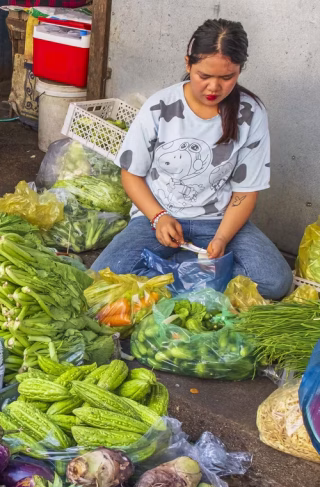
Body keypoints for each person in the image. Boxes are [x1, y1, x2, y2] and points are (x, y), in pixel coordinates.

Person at [92, 19, 292, 299]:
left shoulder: (251, 113)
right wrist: (159, 217)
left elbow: (246, 192)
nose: (214, 87)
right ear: (188, 64)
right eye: (204, 75)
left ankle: (170, 275)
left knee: (276, 281)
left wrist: (221, 238)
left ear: (239, 71)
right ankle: (199, 277)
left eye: (227, 78)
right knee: (100, 276)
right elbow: (131, 174)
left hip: (221, 222)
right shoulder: (160, 107)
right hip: (158, 221)